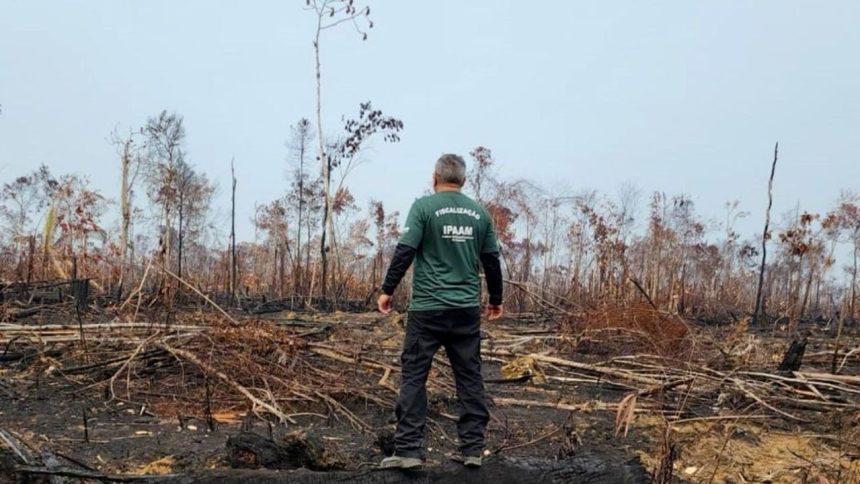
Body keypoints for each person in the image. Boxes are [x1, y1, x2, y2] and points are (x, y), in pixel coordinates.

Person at [377, 153, 504, 469]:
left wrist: (387, 291)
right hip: (464, 311)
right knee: (470, 376)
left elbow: (405, 251)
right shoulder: (480, 214)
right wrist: (496, 299)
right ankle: (473, 449)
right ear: (463, 180)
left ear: (434, 178)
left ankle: (407, 451)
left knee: (415, 376)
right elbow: (491, 260)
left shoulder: (424, 208)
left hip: (428, 310)